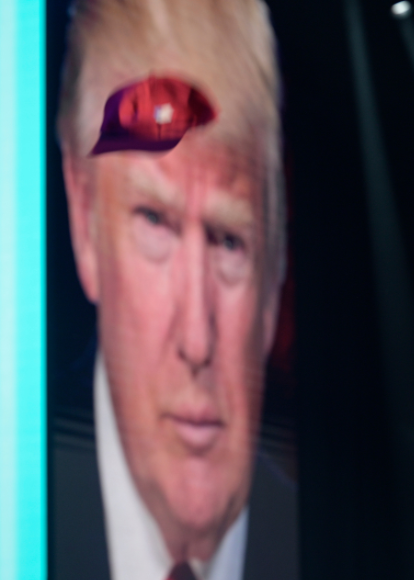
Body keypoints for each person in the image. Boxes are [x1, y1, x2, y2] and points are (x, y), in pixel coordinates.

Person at [51, 1, 297, 579]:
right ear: (84, 219)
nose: (196, 339)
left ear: (277, 262)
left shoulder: (351, 547)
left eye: (229, 241)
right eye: (155, 224)